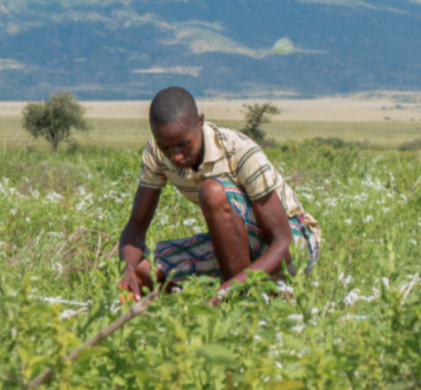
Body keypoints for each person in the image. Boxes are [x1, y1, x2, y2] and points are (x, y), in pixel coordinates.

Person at [118, 87, 321, 304]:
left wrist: (227, 291)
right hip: (238, 244)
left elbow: (284, 244)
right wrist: (127, 270)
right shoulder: (157, 153)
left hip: (295, 243)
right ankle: (247, 290)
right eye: (165, 147)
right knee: (144, 275)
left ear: (199, 122)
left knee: (213, 192)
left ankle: (241, 303)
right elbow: (136, 228)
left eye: (183, 144)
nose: (175, 156)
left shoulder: (239, 151)